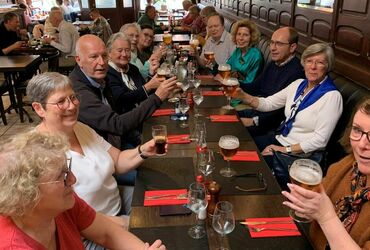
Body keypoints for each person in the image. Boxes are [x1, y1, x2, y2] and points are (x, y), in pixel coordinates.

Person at [0, 131, 166, 250]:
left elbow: (107, 234)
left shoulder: (63, 204)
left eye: (68, 170)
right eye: (63, 176)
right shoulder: (13, 245)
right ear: (28, 194)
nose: (73, 180)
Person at [233, 43, 343, 189]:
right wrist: (242, 95)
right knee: (239, 145)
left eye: (320, 62)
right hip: (279, 139)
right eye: (309, 61)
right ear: (303, 63)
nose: (313, 66)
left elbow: (320, 141)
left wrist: (283, 150)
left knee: (250, 167)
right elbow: (268, 103)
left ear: (327, 66)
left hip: (298, 155)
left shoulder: (332, 97)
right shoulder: (298, 84)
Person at [282, 97, 370, 249]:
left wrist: (326, 216)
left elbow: (323, 214)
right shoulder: (347, 166)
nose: (362, 144)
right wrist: (308, 208)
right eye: (357, 130)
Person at [69, 34, 176, 150]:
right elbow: (117, 124)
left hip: (119, 140)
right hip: (99, 152)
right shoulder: (78, 91)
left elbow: (120, 113)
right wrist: (157, 97)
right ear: (78, 60)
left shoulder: (99, 77)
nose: (101, 62)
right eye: (93, 57)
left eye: (103, 56)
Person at [237, 27, 305, 136]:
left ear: (292, 47)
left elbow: (282, 112)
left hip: (271, 126)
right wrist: (234, 83)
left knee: (232, 131)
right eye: (272, 43)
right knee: (224, 116)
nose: (272, 48)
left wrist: (253, 121)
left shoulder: (297, 73)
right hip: (258, 111)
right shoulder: (274, 63)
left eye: (279, 44)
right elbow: (255, 88)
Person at [106, 33, 163, 148]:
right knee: (158, 142)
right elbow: (121, 99)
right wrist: (149, 86)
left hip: (144, 119)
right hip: (127, 128)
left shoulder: (132, 69)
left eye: (127, 50)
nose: (124, 54)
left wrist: (152, 76)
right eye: (120, 50)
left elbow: (145, 94)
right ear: (109, 53)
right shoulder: (108, 73)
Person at [214, 19, 263, 86]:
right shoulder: (238, 51)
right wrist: (214, 64)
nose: (241, 38)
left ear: (251, 37)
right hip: (232, 86)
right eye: (239, 34)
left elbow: (249, 83)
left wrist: (225, 80)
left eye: (245, 35)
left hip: (244, 91)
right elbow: (227, 68)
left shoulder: (256, 56)